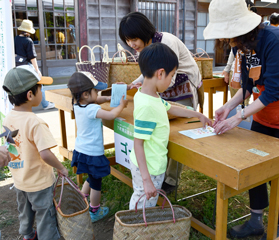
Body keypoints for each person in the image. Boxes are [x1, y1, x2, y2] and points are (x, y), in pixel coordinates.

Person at [203, 0, 279, 239]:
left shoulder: (275, 40)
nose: (227, 41)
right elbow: (249, 85)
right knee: (253, 163)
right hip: (264, 110)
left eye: (228, 36)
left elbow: (275, 90)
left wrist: (239, 117)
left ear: (241, 28)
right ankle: (256, 220)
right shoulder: (241, 45)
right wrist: (229, 106)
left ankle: (276, 229)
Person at [119, 12, 203, 194]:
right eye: (128, 40)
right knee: (162, 131)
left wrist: (146, 88)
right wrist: (135, 84)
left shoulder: (167, 43)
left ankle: (170, 180)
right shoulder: (148, 53)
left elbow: (164, 80)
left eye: (134, 39)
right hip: (163, 88)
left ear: (143, 32)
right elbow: (150, 74)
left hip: (183, 86)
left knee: (178, 133)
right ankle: (157, 172)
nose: (131, 44)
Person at [129, 43, 212, 209]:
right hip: (149, 168)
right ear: (160, 73)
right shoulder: (147, 106)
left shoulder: (149, 95)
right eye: (172, 75)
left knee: (144, 200)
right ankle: (137, 231)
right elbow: (138, 144)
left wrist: (198, 114)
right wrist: (147, 180)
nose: (172, 80)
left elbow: (169, 107)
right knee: (143, 202)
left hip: (152, 164)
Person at [2, 65, 69, 240]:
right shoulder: (36, 122)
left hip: (20, 180)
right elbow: (45, 154)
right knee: (45, 216)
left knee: (25, 212)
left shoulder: (9, 117)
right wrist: (61, 168)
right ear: (30, 95)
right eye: (40, 88)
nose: (42, 91)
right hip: (40, 183)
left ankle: (27, 235)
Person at [67, 71, 128, 222]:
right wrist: (121, 106)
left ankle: (83, 199)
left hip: (81, 150)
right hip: (93, 153)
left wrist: (106, 98)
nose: (98, 93)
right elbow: (112, 115)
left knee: (90, 176)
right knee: (96, 183)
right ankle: (95, 210)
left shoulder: (77, 104)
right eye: (96, 91)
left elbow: (95, 100)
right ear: (86, 95)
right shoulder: (92, 109)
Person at [15, 19, 55, 110]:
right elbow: (32, 57)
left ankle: (23, 105)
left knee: (23, 87)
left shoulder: (16, 38)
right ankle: (45, 104)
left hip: (18, 67)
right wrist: (37, 70)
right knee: (38, 84)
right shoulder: (28, 41)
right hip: (27, 66)